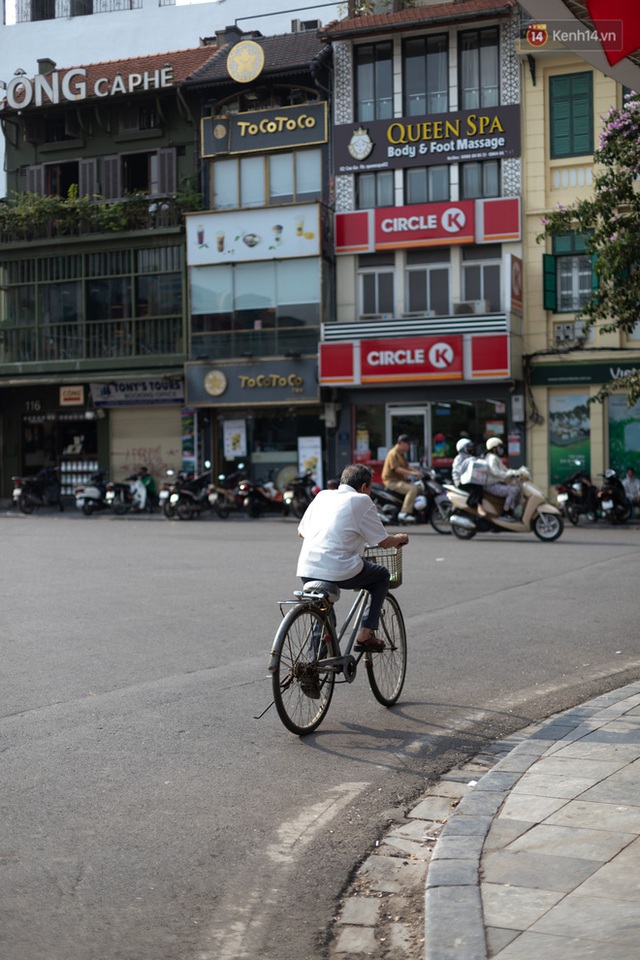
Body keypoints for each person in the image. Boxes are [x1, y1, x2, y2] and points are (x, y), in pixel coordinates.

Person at [297, 463, 409, 653]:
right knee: (381, 575)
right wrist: (399, 538)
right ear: (364, 487)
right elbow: (382, 542)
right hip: (340, 570)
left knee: (323, 613)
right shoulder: (361, 500)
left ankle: (313, 665)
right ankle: (365, 634)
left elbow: (301, 533)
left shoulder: (322, 496)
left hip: (307, 569)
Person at [382, 433, 423, 524]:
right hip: (391, 481)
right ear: (401, 443)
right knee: (412, 489)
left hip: (400, 480)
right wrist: (412, 473)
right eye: (408, 444)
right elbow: (397, 469)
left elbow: (406, 466)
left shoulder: (401, 453)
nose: (408, 447)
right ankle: (404, 513)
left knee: (419, 488)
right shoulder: (393, 453)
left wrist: (418, 472)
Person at [484, 437, 523, 521]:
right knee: (513, 490)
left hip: (496, 484)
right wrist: (511, 474)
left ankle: (512, 511)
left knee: (515, 489)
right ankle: (505, 513)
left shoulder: (495, 457)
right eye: (499, 447)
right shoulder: (492, 458)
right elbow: (496, 472)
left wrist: (515, 472)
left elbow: (504, 470)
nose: (501, 450)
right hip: (491, 485)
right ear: (494, 448)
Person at [451, 437, 483, 507]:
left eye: (471, 447)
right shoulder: (459, 458)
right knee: (477, 488)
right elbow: (460, 470)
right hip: (460, 481)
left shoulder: (469, 457)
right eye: (468, 447)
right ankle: (472, 504)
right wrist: (471, 460)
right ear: (463, 448)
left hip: (467, 480)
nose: (471, 449)